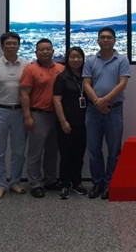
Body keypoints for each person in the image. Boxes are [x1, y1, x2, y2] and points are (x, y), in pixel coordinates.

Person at [83, 27, 131, 200]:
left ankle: (111, 183)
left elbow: (122, 84)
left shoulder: (122, 59)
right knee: (93, 149)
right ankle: (98, 182)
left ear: (114, 40)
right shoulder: (90, 60)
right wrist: (97, 102)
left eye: (109, 37)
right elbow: (86, 84)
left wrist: (103, 101)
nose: (105, 40)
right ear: (97, 40)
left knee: (114, 149)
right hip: (93, 110)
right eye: (102, 37)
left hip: (114, 110)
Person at [0, 32, 30, 199]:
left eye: (14, 43)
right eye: (8, 43)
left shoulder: (27, 64)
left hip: (19, 111)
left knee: (18, 150)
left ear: (19, 45)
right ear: (2, 46)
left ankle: (15, 182)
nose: (11, 46)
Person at [19, 38, 64, 198]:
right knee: (35, 153)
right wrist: (27, 116)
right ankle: (35, 183)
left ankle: (50, 180)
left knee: (52, 151)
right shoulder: (30, 69)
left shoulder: (60, 68)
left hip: (56, 115)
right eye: (41, 49)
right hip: (38, 115)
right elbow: (24, 94)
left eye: (48, 49)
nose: (45, 52)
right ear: (36, 52)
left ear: (53, 51)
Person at [53, 46, 88, 199]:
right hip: (66, 121)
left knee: (79, 154)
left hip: (83, 121)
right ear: (67, 59)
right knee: (66, 154)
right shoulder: (62, 77)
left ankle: (77, 182)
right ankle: (65, 184)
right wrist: (63, 122)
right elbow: (57, 101)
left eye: (79, 57)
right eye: (72, 57)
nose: (76, 60)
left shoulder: (86, 77)